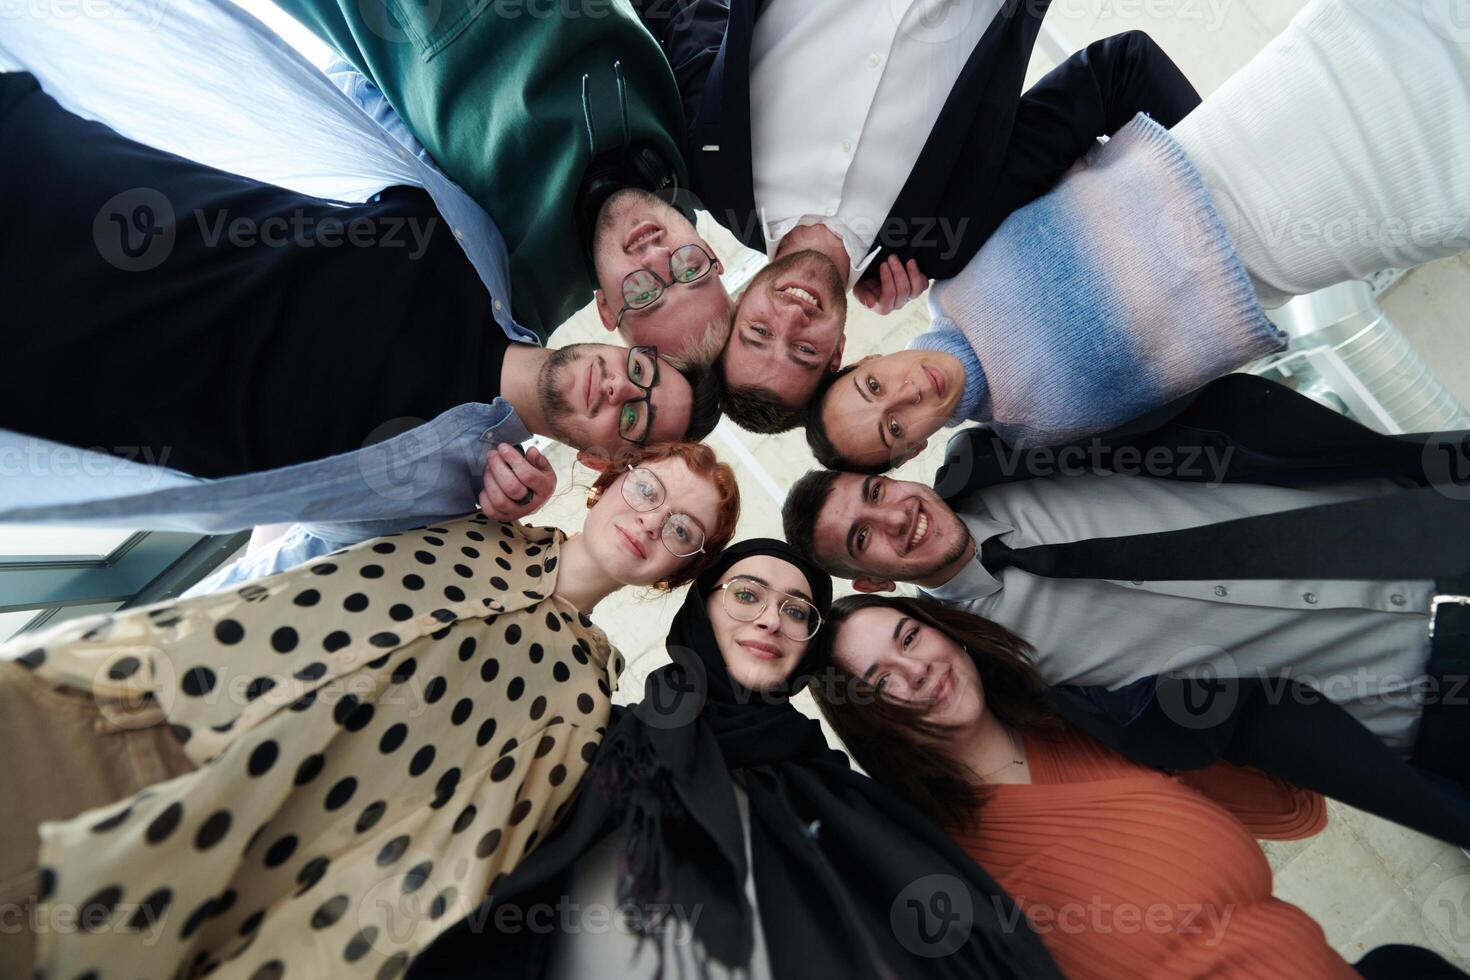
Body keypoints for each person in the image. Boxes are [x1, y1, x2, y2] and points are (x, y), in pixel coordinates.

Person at [0, 442, 740, 980]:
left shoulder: (586, 703)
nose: (653, 521)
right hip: (138, 697)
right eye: (649, 490)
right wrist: (471, 454)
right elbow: (321, 480)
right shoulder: (466, 507)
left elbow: (459, 852)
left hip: (227, 849)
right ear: (607, 481)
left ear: (677, 572)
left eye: (682, 530)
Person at [809, 0, 1470, 470]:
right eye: (895, 426)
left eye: (874, 387)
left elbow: (1093, 82)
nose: (906, 394)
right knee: (1448, 186)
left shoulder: (953, 268)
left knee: (1405, 38)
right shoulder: (1046, 441)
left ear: (868, 361)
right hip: (1292, 255)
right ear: (916, 446)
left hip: (1247, 140)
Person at [783, 375, 1470, 823]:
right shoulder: (1002, 683)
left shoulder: (1015, 446)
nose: (894, 519)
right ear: (870, 581)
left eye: (875, 494)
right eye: (863, 537)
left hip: (1421, 532)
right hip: (1422, 707)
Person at [0, 72, 722, 483]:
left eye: (633, 418)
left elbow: (316, 552)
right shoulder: (473, 245)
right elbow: (345, 103)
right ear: (616, 332)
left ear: (597, 456)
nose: (625, 388)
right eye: (643, 373)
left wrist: (495, 513)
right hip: (48, 160)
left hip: (38, 364)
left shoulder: (443, 484)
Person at [405, 539, 1063, 979]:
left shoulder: (838, 788)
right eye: (746, 594)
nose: (771, 620)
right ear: (699, 611)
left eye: (796, 610)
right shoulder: (598, 737)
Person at [812, 593, 1470, 979]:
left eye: (909, 636)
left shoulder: (1090, 721)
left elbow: (1299, 814)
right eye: (880, 679)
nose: (916, 669)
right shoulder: (932, 856)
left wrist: (1183, 749)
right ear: (868, 717)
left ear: (947, 635)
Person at [632, 0, 1203, 430]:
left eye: (758, 333)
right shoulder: (943, 238)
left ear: (735, 306)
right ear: (838, 351)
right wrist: (1222, 184)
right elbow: (1115, 74)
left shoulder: (712, 169)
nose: (790, 321)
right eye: (805, 352)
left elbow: (682, 14)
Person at [270, 0, 736, 348]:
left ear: (608, 310)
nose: (657, 260)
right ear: (711, 253)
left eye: (644, 293)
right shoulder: (699, 141)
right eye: (689, 270)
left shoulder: (516, 289)